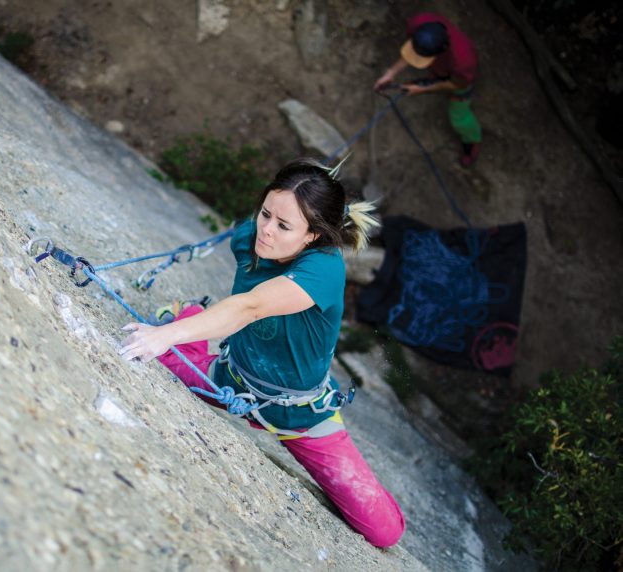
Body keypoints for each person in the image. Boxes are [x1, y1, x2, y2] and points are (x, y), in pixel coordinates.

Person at [119, 159, 405, 548]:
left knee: (385, 532)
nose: (266, 230)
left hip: (300, 413)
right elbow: (242, 309)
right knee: (154, 357)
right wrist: (168, 336)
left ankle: (186, 322)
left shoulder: (323, 269)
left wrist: (166, 334)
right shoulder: (248, 238)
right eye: (265, 214)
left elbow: (250, 307)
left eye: (283, 225)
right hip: (230, 380)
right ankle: (190, 316)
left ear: (313, 237)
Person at [374, 13, 482, 168]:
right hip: (441, 67)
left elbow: (458, 84)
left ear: (440, 52)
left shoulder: (463, 62)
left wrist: (423, 88)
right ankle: (435, 75)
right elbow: (413, 49)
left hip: (457, 79)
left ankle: (472, 141)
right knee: (435, 74)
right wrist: (391, 72)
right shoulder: (419, 23)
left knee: (459, 117)